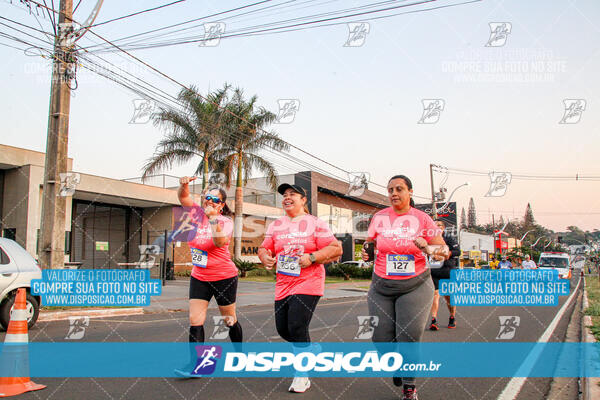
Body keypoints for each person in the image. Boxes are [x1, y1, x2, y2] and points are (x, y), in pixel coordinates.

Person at [361, 175, 449, 400]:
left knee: (408, 335)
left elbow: (444, 251)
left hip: (415, 285)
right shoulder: (379, 217)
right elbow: (370, 242)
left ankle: (409, 386)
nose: (393, 193)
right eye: (390, 189)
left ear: (410, 192)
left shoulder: (422, 219)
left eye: (399, 189)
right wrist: (366, 252)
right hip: (381, 285)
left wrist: (427, 247)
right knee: (380, 339)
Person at [258, 183, 342, 393]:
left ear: (303, 200)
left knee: (296, 326)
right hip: (283, 284)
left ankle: (302, 375)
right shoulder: (276, 225)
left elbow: (335, 249)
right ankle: (310, 349)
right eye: (284, 195)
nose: (287, 197)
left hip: (308, 282)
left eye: (292, 194)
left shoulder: (315, 223)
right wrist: (265, 257)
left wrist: (312, 257)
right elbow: (264, 247)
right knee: (283, 329)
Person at [174, 176, 242, 377]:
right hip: (200, 276)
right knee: (195, 319)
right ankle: (196, 365)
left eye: (215, 199)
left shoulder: (225, 221)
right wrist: (183, 185)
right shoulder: (195, 215)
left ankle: (239, 356)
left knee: (229, 320)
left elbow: (220, 242)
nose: (210, 201)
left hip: (223, 277)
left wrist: (213, 218)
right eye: (207, 197)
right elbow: (183, 197)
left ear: (221, 205)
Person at [429, 220, 460, 330]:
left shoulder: (449, 238)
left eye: (439, 225)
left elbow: (458, 251)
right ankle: (434, 320)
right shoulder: (429, 238)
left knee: (448, 298)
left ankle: (452, 317)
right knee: (435, 294)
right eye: (434, 225)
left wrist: (447, 254)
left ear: (443, 227)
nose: (437, 227)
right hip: (434, 271)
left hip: (447, 270)